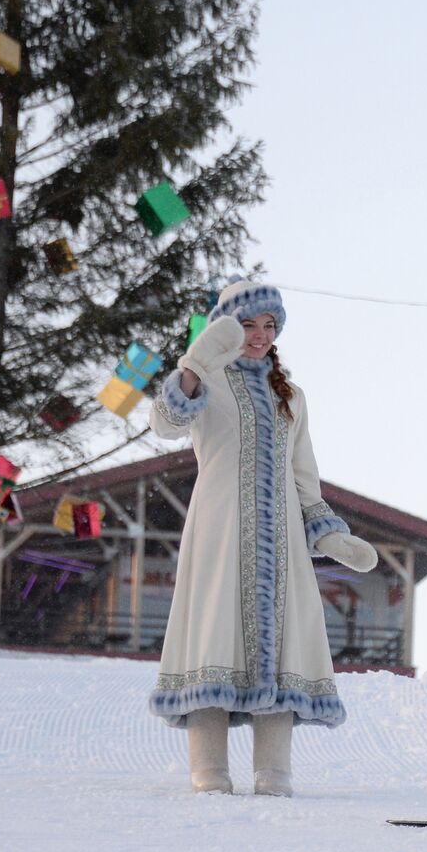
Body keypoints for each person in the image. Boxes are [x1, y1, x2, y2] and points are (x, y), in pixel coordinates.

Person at [147, 278, 378, 796]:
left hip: (284, 540)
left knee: (283, 643)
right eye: (247, 325)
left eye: (268, 326)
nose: (258, 335)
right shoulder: (208, 381)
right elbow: (164, 422)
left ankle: (274, 773)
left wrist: (330, 534)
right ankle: (209, 770)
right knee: (214, 633)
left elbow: (304, 478)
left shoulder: (292, 396)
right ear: (224, 329)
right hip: (219, 528)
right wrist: (193, 365)